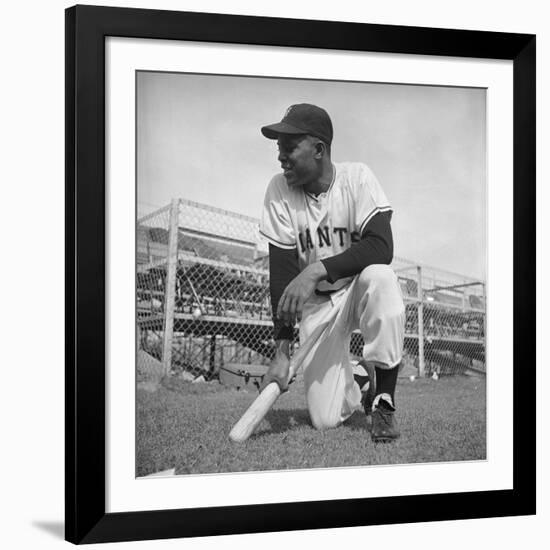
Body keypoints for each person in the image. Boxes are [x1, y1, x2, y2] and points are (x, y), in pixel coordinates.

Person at [258, 103, 405, 442]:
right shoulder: (279, 190)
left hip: (357, 290)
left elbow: (382, 246)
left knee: (382, 277)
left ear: (319, 149)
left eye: (289, 146)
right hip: (320, 306)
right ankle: (360, 380)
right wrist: (281, 350)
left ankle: (384, 400)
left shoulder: (357, 178)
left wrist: (315, 270)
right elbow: (281, 276)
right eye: (279, 147)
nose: (281, 156)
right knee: (325, 419)